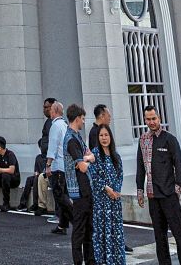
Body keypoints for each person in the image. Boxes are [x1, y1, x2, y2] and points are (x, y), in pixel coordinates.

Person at [136, 105, 181, 265]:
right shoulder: (143, 140)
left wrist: (177, 187)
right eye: (148, 119)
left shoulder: (169, 139)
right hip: (153, 197)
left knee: (179, 234)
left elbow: (179, 164)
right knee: (159, 237)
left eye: (154, 118)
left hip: (169, 195)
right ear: (145, 120)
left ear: (159, 118)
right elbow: (140, 167)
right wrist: (140, 190)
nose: (151, 122)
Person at [63, 104, 96, 265]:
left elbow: (90, 156)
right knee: (79, 230)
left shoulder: (77, 137)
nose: (83, 122)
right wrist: (87, 160)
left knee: (89, 228)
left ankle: (90, 260)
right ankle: (79, 261)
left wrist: (87, 158)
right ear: (77, 119)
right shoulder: (71, 140)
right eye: (82, 119)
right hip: (79, 190)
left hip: (85, 188)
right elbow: (82, 166)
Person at [91, 122, 125, 265]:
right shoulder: (95, 154)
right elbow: (93, 175)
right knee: (102, 232)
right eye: (101, 135)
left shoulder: (115, 155)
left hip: (114, 201)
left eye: (106, 135)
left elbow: (120, 175)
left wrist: (116, 191)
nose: (104, 138)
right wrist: (106, 188)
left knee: (116, 232)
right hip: (101, 201)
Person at [45, 99, 73, 235]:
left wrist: (48, 164)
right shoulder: (65, 125)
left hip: (58, 166)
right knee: (64, 194)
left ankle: (75, 219)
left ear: (54, 111)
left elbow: (53, 146)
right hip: (66, 165)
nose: (49, 112)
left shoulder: (55, 126)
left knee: (59, 195)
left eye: (50, 109)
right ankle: (63, 224)